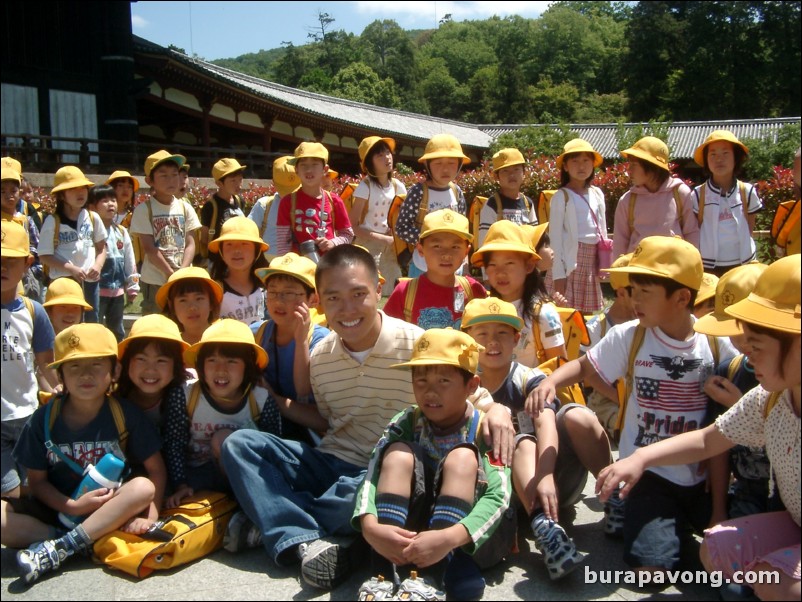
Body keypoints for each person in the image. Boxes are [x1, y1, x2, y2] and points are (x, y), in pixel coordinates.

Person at [220, 244, 514, 590]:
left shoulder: (416, 345)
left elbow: (474, 396)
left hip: (384, 478)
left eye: (358, 294)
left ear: (378, 289)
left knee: (352, 500)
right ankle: (304, 537)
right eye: (334, 298)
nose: (347, 309)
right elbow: (329, 422)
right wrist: (280, 402)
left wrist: (500, 410)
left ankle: (274, 520)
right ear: (319, 301)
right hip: (332, 462)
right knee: (239, 445)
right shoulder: (322, 356)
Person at [596, 255, 800, 602]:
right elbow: (709, 439)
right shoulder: (770, 400)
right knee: (716, 550)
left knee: (769, 583)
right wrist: (640, 458)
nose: (747, 357)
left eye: (757, 346)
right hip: (792, 522)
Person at [531, 236, 737, 574]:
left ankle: (679, 529)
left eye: (644, 292)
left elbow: (734, 418)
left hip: (702, 477)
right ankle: (660, 528)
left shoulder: (715, 346)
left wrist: (719, 511)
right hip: (646, 476)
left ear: (682, 297)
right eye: (631, 289)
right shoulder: (630, 336)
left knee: (730, 557)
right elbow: (584, 368)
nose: (632, 299)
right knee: (650, 571)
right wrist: (551, 381)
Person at [354, 328, 512, 601]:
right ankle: (382, 572)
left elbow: (499, 496)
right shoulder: (407, 421)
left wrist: (451, 537)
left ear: (471, 386)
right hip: (416, 531)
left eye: (443, 381)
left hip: (471, 534)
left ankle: (430, 579)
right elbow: (372, 474)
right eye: (421, 381)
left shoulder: (484, 427)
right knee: (399, 453)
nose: (430, 392)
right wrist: (369, 526)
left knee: (463, 457)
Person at [7, 323, 166, 585]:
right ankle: (80, 541)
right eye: (75, 366)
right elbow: (37, 483)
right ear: (60, 375)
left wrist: (151, 517)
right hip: (59, 508)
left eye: (96, 365)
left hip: (110, 507)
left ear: (114, 371)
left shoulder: (125, 414)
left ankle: (61, 547)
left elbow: (156, 470)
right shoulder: (43, 420)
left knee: (142, 487)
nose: (85, 375)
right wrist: (72, 506)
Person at [461, 298, 608, 580]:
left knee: (567, 420)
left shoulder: (528, 377)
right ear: (468, 340)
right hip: (498, 487)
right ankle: (545, 529)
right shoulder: (466, 382)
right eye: (482, 334)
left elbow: (546, 424)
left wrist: (545, 474)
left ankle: (613, 498)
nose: (493, 342)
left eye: (502, 333)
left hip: (549, 479)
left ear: (517, 339)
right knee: (519, 443)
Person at [163, 319, 281, 507]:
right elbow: (174, 443)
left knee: (224, 440)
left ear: (248, 365)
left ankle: (246, 504)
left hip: (243, 477)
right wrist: (180, 484)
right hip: (194, 476)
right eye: (212, 360)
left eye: (232, 361)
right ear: (200, 365)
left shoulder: (260, 400)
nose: (221, 370)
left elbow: (272, 447)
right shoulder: (185, 395)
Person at [691, 263, 774, 527]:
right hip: (747, 492)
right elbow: (716, 445)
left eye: (745, 331)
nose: (739, 342)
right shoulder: (730, 370)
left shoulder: (786, 376)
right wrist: (718, 511)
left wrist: (738, 405)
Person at [1, 220, 58, 501]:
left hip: (27, 416)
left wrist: (58, 390)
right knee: (10, 493)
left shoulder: (33, 311)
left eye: (10, 261)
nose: (2, 267)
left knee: (31, 490)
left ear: (27, 263)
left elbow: (45, 363)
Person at [251, 252, 330, 445]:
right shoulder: (256, 333)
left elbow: (303, 392)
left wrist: (301, 341)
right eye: (273, 291)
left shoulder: (322, 340)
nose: (279, 301)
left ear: (313, 299)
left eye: (290, 293)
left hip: (310, 433)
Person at [473, 221, 565, 369]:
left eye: (509, 263)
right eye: (492, 265)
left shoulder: (543, 314)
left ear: (528, 266)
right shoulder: (480, 311)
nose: (500, 273)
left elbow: (559, 368)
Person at [384, 209, 487, 329]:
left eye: (455, 247)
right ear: (421, 250)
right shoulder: (404, 293)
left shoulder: (473, 291)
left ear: (466, 251)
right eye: (437, 246)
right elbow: (388, 335)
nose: (446, 254)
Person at [130, 150, 201, 316]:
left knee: (183, 319)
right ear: (150, 180)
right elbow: (149, 248)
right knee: (156, 321)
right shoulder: (144, 210)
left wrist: (182, 272)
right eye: (163, 175)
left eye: (175, 174)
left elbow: (190, 243)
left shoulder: (185, 207)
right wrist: (170, 273)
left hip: (183, 277)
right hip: (155, 280)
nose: (171, 180)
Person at [612, 136, 699, 259]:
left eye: (634, 165)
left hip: (673, 269)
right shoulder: (627, 201)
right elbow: (620, 243)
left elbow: (691, 232)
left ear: (652, 166)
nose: (629, 170)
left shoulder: (680, 193)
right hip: (638, 271)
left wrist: (691, 264)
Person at [38, 166, 107, 322]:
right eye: (73, 189)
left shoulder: (93, 217)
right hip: (63, 282)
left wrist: (98, 266)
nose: (80, 192)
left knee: (90, 321)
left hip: (89, 282)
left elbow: (102, 248)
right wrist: (71, 268)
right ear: (61, 195)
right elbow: (44, 256)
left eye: (83, 188)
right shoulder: (52, 221)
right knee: (64, 323)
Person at [395, 134, 470, 277]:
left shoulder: (457, 192)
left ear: (459, 165)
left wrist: (465, 263)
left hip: (454, 267)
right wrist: (432, 241)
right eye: (438, 163)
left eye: (451, 163)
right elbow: (402, 228)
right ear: (427, 165)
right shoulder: (418, 192)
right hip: (423, 267)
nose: (445, 169)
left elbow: (463, 231)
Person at [691, 131, 763, 276]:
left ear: (736, 158)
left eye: (725, 153)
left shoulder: (747, 191)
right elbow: (695, 228)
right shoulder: (698, 194)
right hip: (709, 266)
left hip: (743, 263)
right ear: (706, 160)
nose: (719, 159)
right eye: (713, 154)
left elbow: (749, 226)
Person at [548, 139, 607, 314]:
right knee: (565, 311)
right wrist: (558, 274)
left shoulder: (597, 193)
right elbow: (555, 240)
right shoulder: (561, 196)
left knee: (587, 312)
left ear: (593, 164)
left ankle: (584, 341)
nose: (581, 166)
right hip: (570, 259)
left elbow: (602, 229)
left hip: (592, 257)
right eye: (575, 161)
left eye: (586, 161)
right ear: (565, 166)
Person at [274, 142, 354, 258]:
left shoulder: (335, 201)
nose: (309, 170)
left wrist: (332, 242)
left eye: (315, 164)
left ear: (325, 169)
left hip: (328, 265)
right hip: (299, 268)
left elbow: (348, 235)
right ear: (296, 170)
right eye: (303, 165)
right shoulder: (287, 202)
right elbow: (282, 243)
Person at [348, 136, 407, 294]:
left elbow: (403, 218)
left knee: (393, 289)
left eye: (388, 153)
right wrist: (383, 238)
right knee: (368, 289)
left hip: (391, 246)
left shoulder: (398, 186)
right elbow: (352, 226)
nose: (387, 157)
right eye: (379, 155)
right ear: (368, 163)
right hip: (367, 245)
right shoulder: (365, 187)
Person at [117, 314, 191, 429]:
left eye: (161, 360)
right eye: (141, 359)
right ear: (127, 361)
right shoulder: (113, 395)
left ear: (176, 365)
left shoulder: (189, 397)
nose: (150, 369)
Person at [86, 184, 139, 342]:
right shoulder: (89, 232)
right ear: (92, 207)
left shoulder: (121, 231)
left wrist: (132, 285)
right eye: (104, 200)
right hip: (96, 290)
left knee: (116, 328)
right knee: (93, 326)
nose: (111, 204)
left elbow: (130, 261)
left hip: (117, 292)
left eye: (113, 200)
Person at [208, 216, 269, 325]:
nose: (236, 250)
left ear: (257, 250)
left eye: (244, 244)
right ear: (221, 252)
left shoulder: (266, 287)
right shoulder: (215, 290)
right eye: (229, 244)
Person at [473, 147, 537, 251]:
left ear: (524, 173)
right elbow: (484, 243)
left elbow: (535, 237)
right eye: (505, 171)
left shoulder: (528, 203)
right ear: (496, 177)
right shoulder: (492, 204)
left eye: (516, 169)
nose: (511, 175)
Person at [1, 164, 43, 301]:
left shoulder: (26, 220)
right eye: (2, 192)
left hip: (24, 275)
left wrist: (27, 263)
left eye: (13, 191)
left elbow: (37, 247)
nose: (9, 196)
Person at [196, 158, 247, 266]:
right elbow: (204, 239)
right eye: (233, 181)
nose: (238, 184)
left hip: (238, 258)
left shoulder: (240, 201)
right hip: (217, 261)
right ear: (219, 183)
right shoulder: (210, 206)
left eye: (240, 179)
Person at [156, 266, 223, 346]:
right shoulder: (169, 346)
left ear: (211, 303)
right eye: (183, 300)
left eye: (199, 298)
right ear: (171, 306)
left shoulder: (226, 339)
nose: (192, 308)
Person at [248, 156, 300, 257]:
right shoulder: (264, 205)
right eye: (285, 190)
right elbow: (248, 233)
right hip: (267, 261)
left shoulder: (307, 205)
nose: (289, 196)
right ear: (274, 183)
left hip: (297, 263)